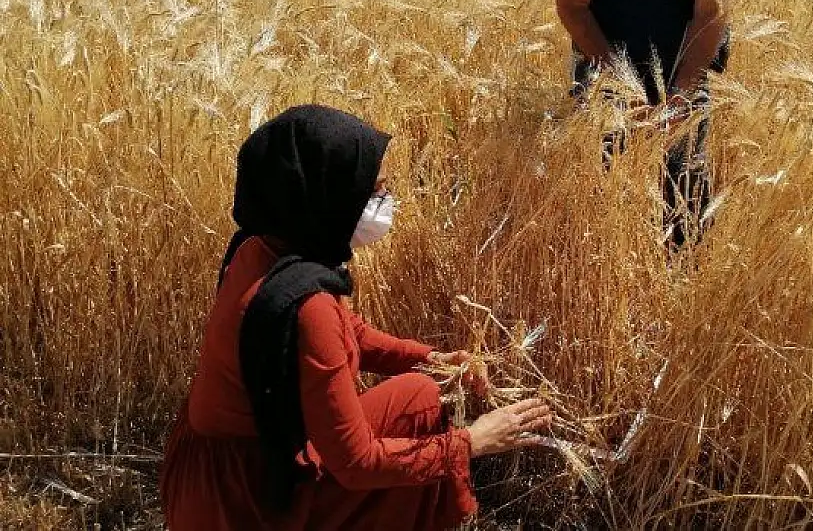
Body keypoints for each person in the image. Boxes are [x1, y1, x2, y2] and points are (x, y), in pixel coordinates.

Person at [160, 105, 552, 531]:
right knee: (419, 408)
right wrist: (471, 443)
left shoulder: (260, 249)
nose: (385, 199)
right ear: (328, 195)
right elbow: (356, 463)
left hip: (206, 477)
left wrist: (431, 358)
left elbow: (350, 334)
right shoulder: (310, 305)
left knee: (418, 391)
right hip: (249, 503)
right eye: (372, 189)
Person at [551, 0, 740, 250]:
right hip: (604, 49)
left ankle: (684, 275)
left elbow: (710, 12)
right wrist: (621, 85)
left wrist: (681, 95)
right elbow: (572, 4)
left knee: (685, 195)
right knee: (600, 189)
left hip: (684, 52)